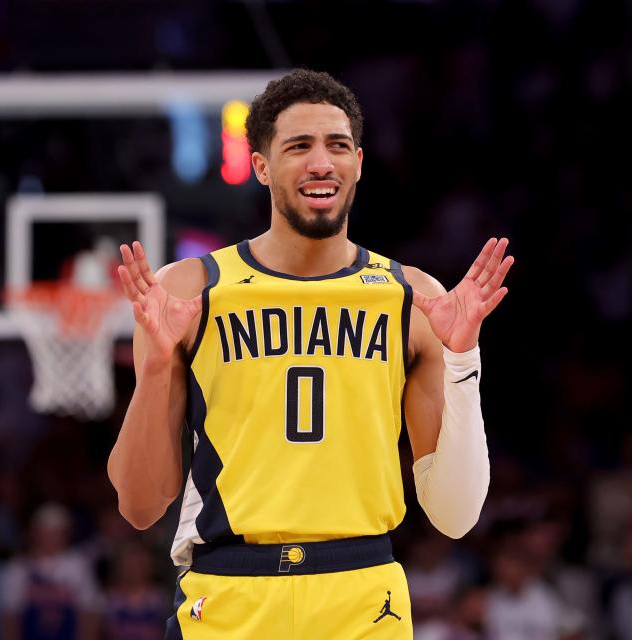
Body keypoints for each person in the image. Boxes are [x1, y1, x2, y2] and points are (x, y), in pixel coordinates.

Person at [108, 68, 513, 639]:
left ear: (359, 164)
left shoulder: (413, 299)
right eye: (298, 146)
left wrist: (462, 362)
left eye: (338, 146)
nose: (321, 162)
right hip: (228, 591)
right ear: (261, 166)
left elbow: (455, 516)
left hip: (362, 594)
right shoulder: (189, 292)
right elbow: (138, 505)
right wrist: (153, 368)